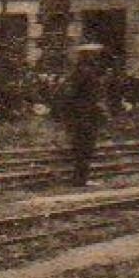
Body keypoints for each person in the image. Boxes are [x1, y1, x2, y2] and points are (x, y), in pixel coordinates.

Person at [54, 42, 106, 187]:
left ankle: (80, 177)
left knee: (82, 147)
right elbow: (72, 94)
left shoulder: (81, 72)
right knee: (84, 147)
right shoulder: (85, 72)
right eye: (94, 55)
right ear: (88, 56)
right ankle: (81, 179)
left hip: (83, 115)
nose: (97, 57)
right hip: (84, 116)